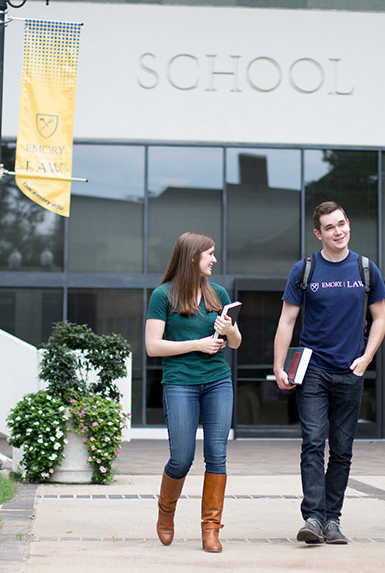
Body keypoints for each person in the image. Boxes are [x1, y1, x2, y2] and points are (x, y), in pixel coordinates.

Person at [273, 201, 385, 544]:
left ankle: (332, 519)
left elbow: (380, 318)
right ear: (318, 233)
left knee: (341, 449)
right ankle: (313, 516)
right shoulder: (304, 270)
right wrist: (279, 366)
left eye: (341, 224)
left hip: (351, 371)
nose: (338, 232)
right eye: (329, 227)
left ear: (348, 224)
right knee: (312, 442)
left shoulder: (366, 269)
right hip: (313, 370)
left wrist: (367, 358)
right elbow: (287, 320)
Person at [145, 232, 242, 553]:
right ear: (192, 258)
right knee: (182, 457)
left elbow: (236, 342)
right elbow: (152, 346)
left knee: (217, 454)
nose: (214, 260)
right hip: (180, 384)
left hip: (218, 381)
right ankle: (166, 511)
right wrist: (198, 344)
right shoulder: (163, 296)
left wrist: (229, 331)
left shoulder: (219, 294)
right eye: (209, 254)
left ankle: (211, 530)